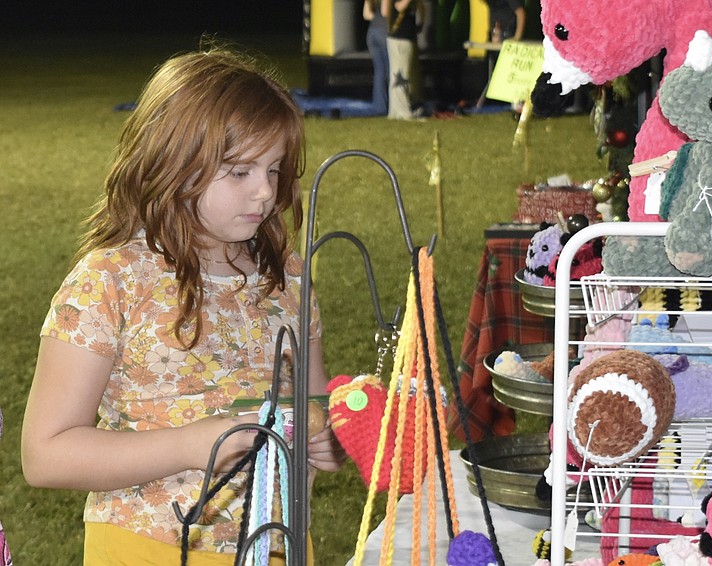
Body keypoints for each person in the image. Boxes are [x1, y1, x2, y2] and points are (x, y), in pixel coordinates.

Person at [20, 45, 347, 565]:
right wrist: (193, 445)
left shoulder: (287, 275)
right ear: (174, 163)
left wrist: (331, 435)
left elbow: (312, 404)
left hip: (276, 545)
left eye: (274, 169)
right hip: (145, 548)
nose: (265, 192)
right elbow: (45, 454)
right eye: (239, 172)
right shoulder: (111, 281)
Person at [383, 0, 425, 119]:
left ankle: (402, 108)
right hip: (399, 37)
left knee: (406, 74)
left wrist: (421, 23)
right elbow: (398, 7)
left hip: (406, 36)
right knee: (400, 74)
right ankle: (401, 110)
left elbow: (422, 8)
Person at [364, 0, 390, 115]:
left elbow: (367, 15)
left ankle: (379, 107)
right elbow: (385, 12)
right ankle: (391, 105)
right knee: (390, 71)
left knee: (379, 72)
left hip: (372, 32)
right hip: (384, 31)